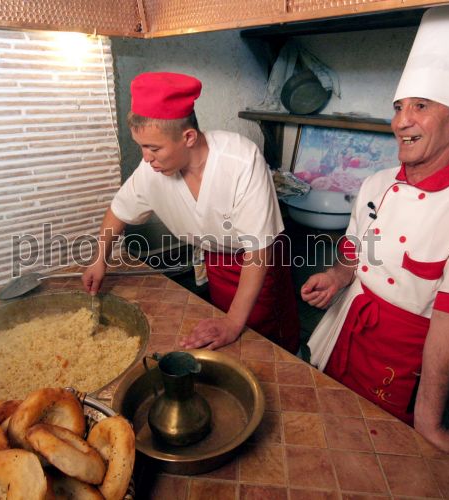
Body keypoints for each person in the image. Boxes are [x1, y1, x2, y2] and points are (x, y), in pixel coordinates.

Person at [303, 3, 449, 460]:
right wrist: (338, 276)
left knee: (381, 456)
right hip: (347, 325)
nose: (400, 121)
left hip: (406, 353)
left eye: (420, 106)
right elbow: (355, 250)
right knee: (325, 427)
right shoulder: (376, 182)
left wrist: (429, 422)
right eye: (399, 107)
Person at [83, 72, 300, 353]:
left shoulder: (241, 160)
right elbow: (119, 210)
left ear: (188, 137)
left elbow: (259, 251)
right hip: (216, 259)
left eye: (153, 148)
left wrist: (233, 322)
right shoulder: (150, 170)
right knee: (229, 340)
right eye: (142, 147)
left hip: (259, 261)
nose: (146, 158)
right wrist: (99, 259)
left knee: (266, 339)